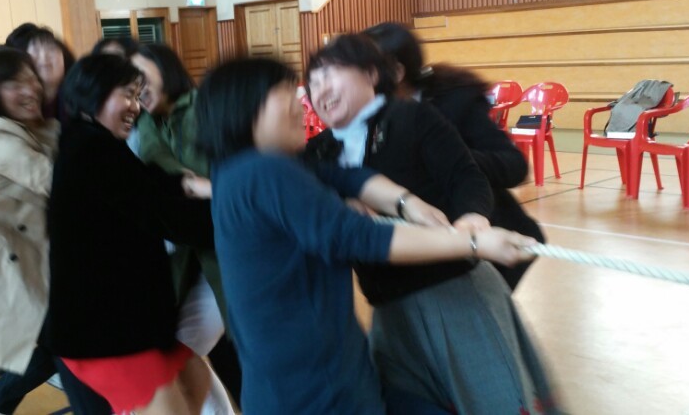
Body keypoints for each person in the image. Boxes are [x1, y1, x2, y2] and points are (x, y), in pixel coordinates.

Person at [195, 57, 537, 415]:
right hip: (316, 394)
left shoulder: (239, 170)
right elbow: (357, 237)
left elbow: (342, 176)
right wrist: (472, 243)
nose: (302, 103)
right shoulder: (264, 172)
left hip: (317, 382)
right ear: (244, 107)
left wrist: (406, 203)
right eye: (284, 92)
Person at [305, 34, 558, 415]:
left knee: (494, 400)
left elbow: (466, 177)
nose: (321, 89)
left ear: (371, 73)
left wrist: (472, 218)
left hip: (453, 293)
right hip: (389, 308)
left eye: (330, 74)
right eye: (313, 82)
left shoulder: (412, 117)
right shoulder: (319, 153)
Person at [0, 47, 110, 415]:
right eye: (15, 84)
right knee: (63, 333)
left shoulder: (20, 127)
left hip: (14, 250)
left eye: (32, 79)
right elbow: (61, 184)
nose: (31, 89)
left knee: (58, 334)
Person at [39, 54, 216, 415]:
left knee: (195, 380)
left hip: (127, 325)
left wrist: (187, 185)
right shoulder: (90, 150)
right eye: (127, 94)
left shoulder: (96, 143)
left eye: (138, 96)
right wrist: (237, 219)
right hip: (104, 333)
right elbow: (160, 212)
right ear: (92, 93)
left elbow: (148, 185)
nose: (136, 107)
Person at [364, 21, 545, 289]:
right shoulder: (370, 114)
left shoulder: (456, 102)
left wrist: (449, 156)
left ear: (396, 71)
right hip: (429, 249)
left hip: (487, 241)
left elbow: (514, 165)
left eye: (363, 68)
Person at [130, 43, 240, 411]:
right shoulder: (148, 122)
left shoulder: (204, 110)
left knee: (182, 354)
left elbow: (237, 179)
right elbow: (160, 172)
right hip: (189, 262)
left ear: (165, 67)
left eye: (140, 76)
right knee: (180, 355)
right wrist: (185, 184)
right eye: (128, 82)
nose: (136, 88)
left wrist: (195, 185)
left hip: (227, 256)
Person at [5, 23, 75, 119]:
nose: (44, 56)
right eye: (36, 50)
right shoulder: (12, 108)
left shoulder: (81, 97)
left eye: (51, 49)